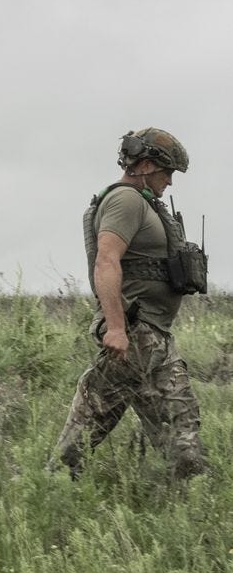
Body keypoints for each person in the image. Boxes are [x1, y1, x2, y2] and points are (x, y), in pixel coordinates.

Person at [51, 127, 208, 480]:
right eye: (167, 172)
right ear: (147, 164)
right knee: (91, 421)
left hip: (157, 338)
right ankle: (53, 486)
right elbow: (106, 260)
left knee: (182, 430)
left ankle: (189, 496)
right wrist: (117, 327)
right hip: (134, 335)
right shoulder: (125, 201)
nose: (170, 181)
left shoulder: (147, 203)